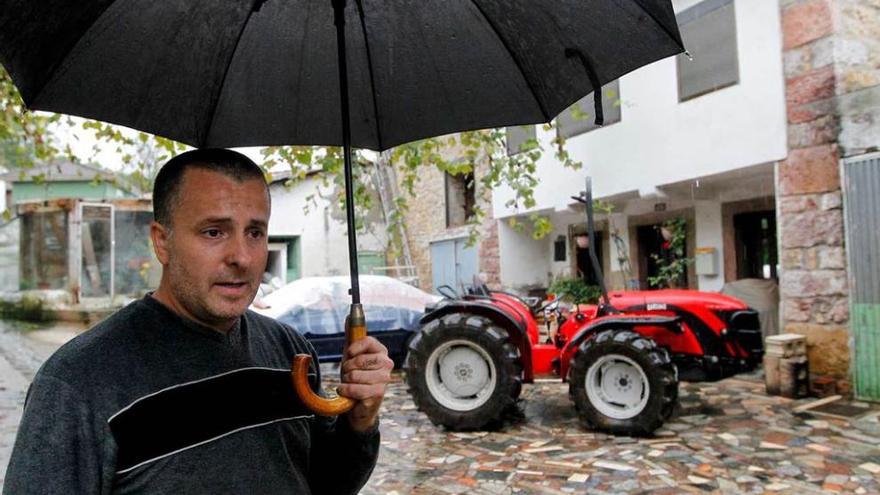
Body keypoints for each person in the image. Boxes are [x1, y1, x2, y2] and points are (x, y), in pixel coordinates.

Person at [4, 148, 393, 494]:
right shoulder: (78, 382)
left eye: (255, 232)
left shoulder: (290, 354)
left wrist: (360, 421)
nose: (241, 256)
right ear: (162, 241)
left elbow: (329, 483)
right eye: (214, 232)